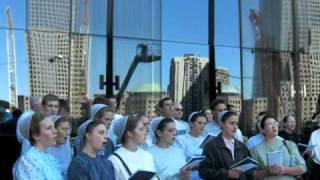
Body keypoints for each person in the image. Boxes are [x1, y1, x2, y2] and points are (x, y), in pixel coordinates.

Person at [199, 111, 253, 180]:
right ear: (222, 124)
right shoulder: (211, 145)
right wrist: (227, 173)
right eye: (232, 123)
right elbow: (204, 171)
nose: (235, 127)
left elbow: (250, 172)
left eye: (237, 124)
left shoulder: (242, 146)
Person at [251, 115, 306, 179]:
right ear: (263, 129)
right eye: (270, 124)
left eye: (275, 123)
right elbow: (252, 175)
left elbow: (303, 167)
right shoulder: (256, 149)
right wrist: (267, 171)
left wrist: (285, 169)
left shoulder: (289, 145)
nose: (274, 126)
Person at [14, 113, 62, 180]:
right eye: (49, 128)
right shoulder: (28, 160)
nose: (55, 131)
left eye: (54, 127)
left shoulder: (49, 158)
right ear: (35, 135)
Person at [108, 115, 156, 180]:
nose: (145, 132)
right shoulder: (114, 160)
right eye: (141, 129)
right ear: (129, 133)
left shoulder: (148, 156)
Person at [308, 114, 320, 179]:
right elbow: (311, 151)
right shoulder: (314, 134)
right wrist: (309, 152)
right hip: (317, 167)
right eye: (317, 118)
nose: (318, 120)